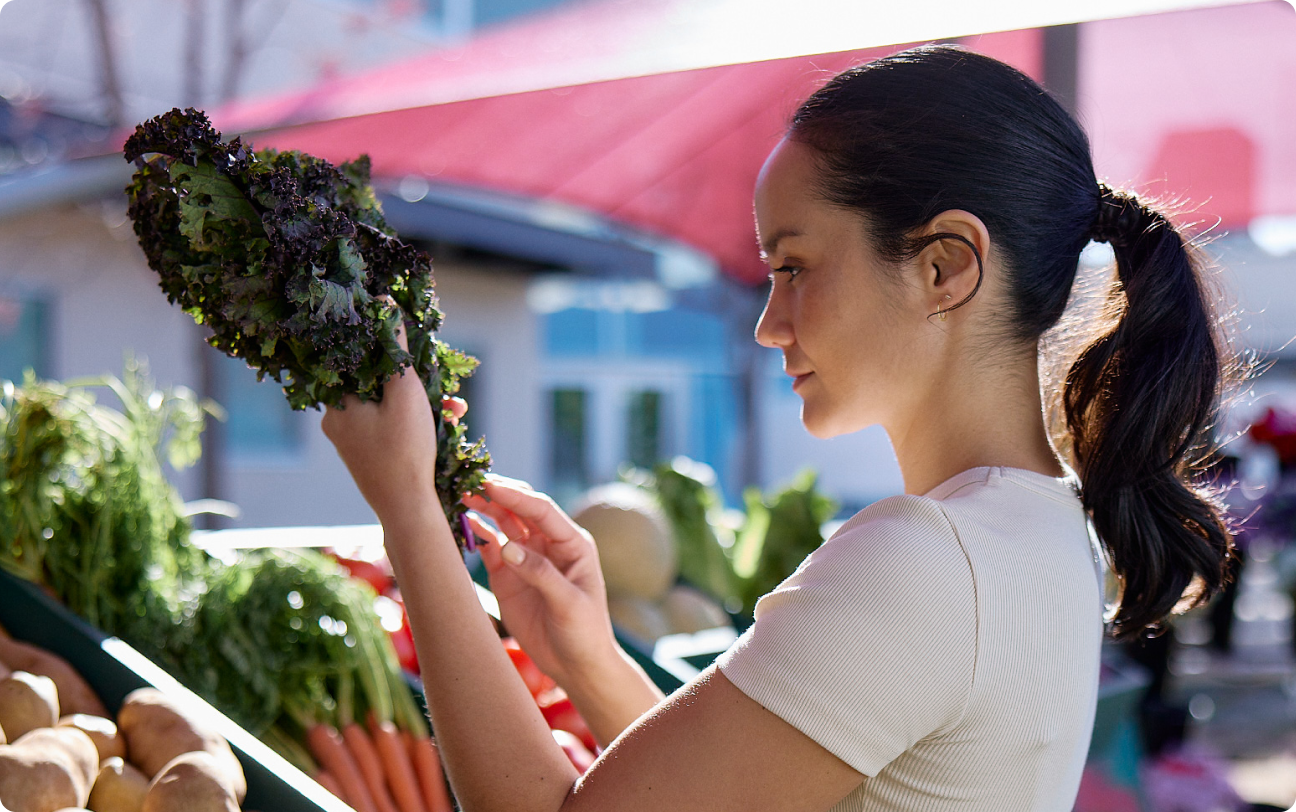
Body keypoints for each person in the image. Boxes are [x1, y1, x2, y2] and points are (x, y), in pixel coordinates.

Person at [322, 44, 1237, 812]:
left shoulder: (924, 561)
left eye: (794, 265)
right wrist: (590, 659)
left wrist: (409, 510)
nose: (770, 320)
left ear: (945, 268)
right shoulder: (1038, 527)